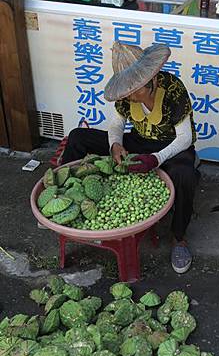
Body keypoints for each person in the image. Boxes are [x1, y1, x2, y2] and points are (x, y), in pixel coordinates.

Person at [61, 42, 198, 274]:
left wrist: (156, 159)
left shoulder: (173, 89)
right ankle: (65, 200)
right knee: (77, 137)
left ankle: (179, 238)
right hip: (138, 140)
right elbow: (116, 123)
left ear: (151, 79)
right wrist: (115, 145)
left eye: (135, 90)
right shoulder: (127, 95)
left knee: (184, 174)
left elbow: (185, 137)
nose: (130, 96)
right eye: (127, 90)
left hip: (171, 146)